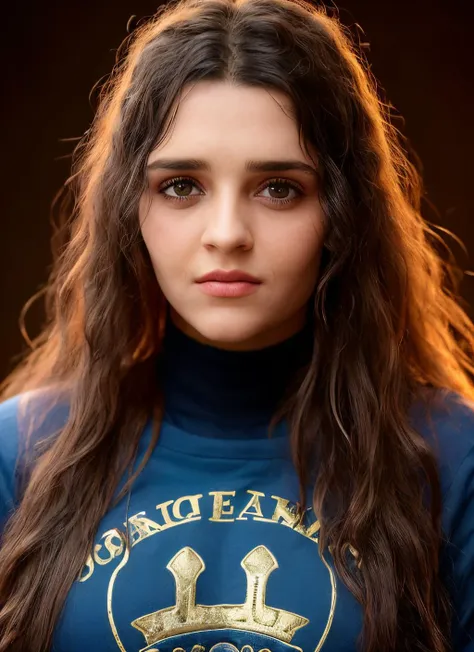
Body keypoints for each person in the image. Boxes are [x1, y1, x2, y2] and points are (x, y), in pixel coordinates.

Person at [0, 0, 473, 650]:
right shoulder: (18, 454)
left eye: (278, 188)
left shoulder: (453, 460)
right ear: (127, 210)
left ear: (342, 213)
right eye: (182, 186)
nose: (226, 235)